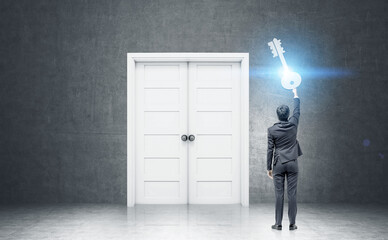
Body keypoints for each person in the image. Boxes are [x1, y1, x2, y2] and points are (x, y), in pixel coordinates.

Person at [267, 88, 303, 231]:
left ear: (277, 115)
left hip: (279, 164)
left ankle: (278, 224)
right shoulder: (293, 124)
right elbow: (297, 110)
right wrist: (295, 94)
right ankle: (292, 224)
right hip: (293, 163)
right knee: (292, 194)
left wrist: (268, 168)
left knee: (279, 194)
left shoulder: (271, 130)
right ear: (288, 115)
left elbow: (270, 149)